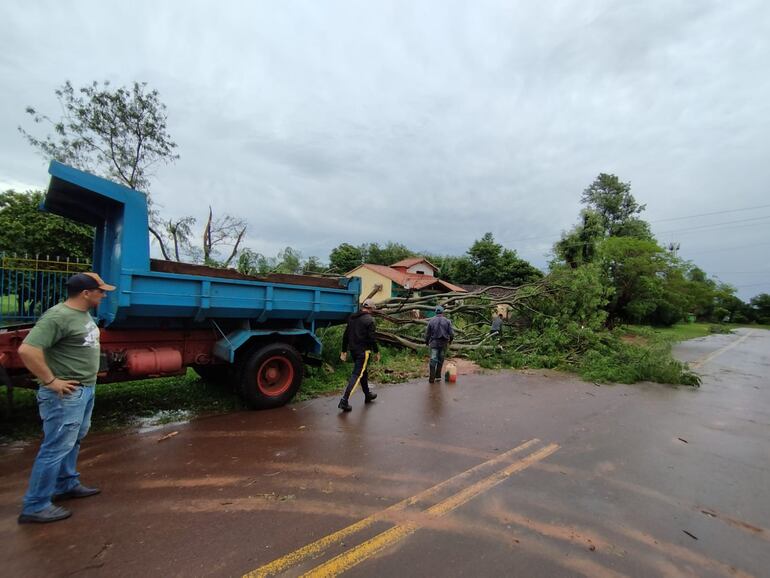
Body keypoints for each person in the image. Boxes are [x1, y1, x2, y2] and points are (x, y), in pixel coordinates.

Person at [17, 272, 115, 524]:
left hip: (84, 390)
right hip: (66, 394)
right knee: (56, 446)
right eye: (100, 291)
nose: (104, 295)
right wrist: (51, 381)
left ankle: (66, 484)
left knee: (73, 441)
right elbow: (27, 349)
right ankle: (35, 505)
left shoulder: (81, 315)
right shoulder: (58, 317)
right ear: (86, 293)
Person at [338, 298, 380, 412]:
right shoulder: (370, 320)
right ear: (370, 308)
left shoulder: (352, 318)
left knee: (363, 372)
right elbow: (372, 339)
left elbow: (346, 335)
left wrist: (344, 351)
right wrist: (376, 352)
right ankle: (344, 400)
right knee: (357, 375)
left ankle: (367, 395)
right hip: (364, 352)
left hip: (353, 350)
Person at [425, 305, 454, 383]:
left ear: (435, 312)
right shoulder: (447, 321)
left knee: (433, 360)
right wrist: (450, 341)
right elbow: (451, 334)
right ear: (442, 312)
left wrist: (427, 342)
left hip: (434, 343)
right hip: (444, 343)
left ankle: (431, 379)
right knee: (440, 360)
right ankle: (438, 377)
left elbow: (427, 334)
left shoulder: (431, 321)